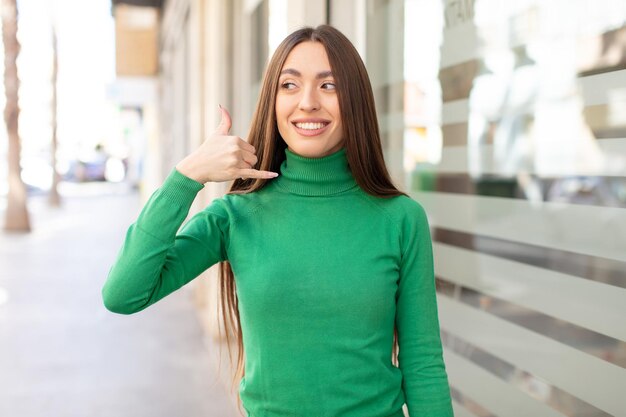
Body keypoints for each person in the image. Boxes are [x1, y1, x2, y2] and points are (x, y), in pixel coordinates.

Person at [102, 25, 453, 417]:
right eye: (289, 85)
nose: (307, 102)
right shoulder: (235, 216)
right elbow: (123, 293)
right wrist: (186, 178)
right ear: (272, 100)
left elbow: (422, 363)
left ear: (354, 100)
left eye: (329, 86)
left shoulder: (401, 219)